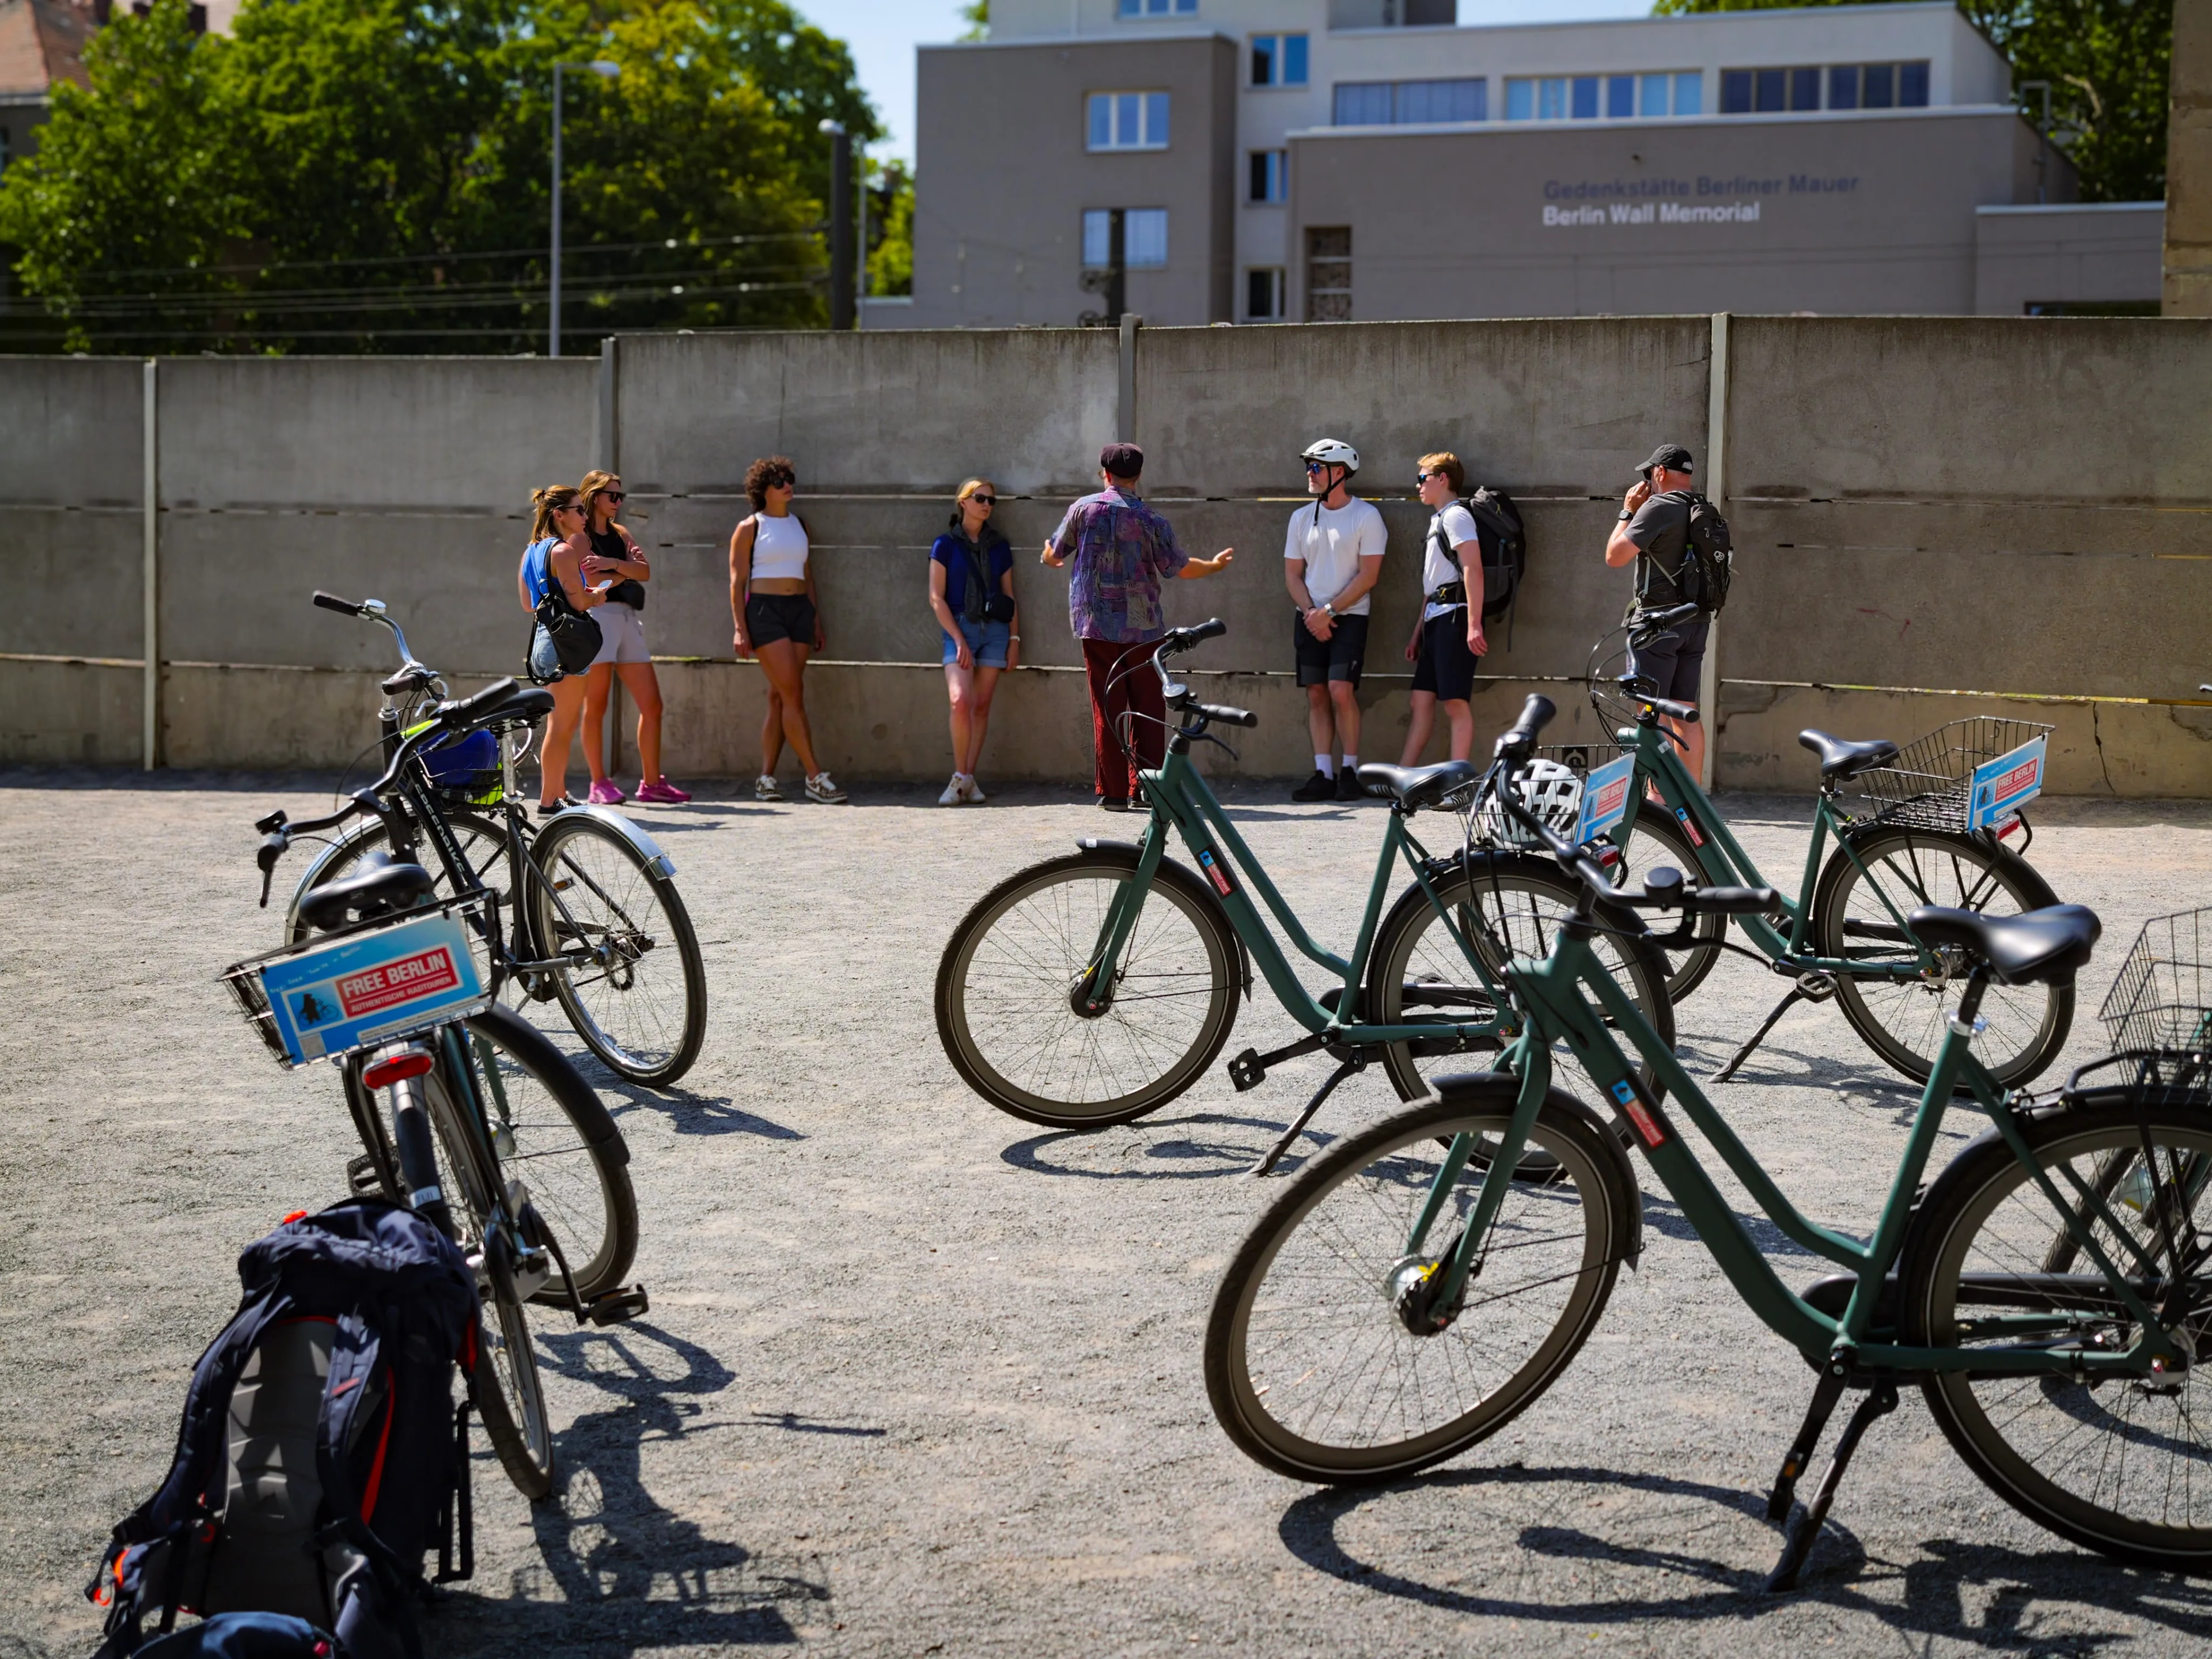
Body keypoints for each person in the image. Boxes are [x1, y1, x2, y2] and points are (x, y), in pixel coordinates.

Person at [1041, 442, 1234, 810]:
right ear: (1139, 476)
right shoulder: (1151, 520)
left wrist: (1046, 556)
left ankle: (1113, 793)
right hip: (1143, 627)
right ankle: (1148, 789)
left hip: (1095, 625)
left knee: (1108, 705)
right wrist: (1213, 565)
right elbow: (1180, 567)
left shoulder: (1082, 510)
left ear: (1105, 474)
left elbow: (1054, 553)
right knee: (1147, 705)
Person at [729, 455, 845, 804]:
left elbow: (808, 577)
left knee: (780, 696)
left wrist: (816, 620)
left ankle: (766, 778)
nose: (787, 485)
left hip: (799, 613)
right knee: (793, 693)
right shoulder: (750, 526)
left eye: (790, 479)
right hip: (765, 612)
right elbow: (736, 583)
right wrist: (739, 628)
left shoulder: (801, 525)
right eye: (779, 481)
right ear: (763, 490)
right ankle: (814, 775)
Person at [575, 469, 690, 806]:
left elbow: (645, 572)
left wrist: (613, 565)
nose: (618, 502)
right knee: (596, 705)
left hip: (627, 618)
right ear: (595, 497)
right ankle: (599, 782)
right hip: (597, 617)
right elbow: (591, 578)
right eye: (613, 495)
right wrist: (624, 570)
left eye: (620, 496)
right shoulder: (578, 536)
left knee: (653, 705)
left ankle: (652, 783)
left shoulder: (620, 532)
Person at [1283, 437, 1387, 802]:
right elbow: (1293, 575)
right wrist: (1313, 614)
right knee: (1316, 693)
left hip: (1350, 616)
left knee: (1341, 691)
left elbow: (1369, 576)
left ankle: (1350, 772)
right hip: (1310, 618)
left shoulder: (1366, 516)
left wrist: (1329, 612)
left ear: (1339, 472)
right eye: (1308, 466)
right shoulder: (1300, 518)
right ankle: (1323, 774)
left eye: (1316, 467)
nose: (1309, 474)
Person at [1604, 442, 1709, 785]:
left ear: (1660, 473)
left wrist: (1627, 512)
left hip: (1657, 625)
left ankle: (1659, 797)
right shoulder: (1704, 507)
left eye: (1649, 475)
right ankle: (1693, 798)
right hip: (1695, 622)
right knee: (1686, 712)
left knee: (1652, 714)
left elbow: (1615, 557)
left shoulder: (1658, 508)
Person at [928, 478, 1020, 805]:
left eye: (991, 501)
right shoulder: (945, 544)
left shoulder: (1000, 546)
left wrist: (1014, 639)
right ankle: (961, 775)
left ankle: (966, 778)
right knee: (960, 701)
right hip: (960, 629)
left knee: (981, 706)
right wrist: (958, 639)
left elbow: (1010, 597)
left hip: (995, 631)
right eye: (980, 498)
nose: (986, 505)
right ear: (963, 502)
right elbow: (936, 599)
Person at [1399, 451, 1488, 765]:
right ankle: (1403, 779)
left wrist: (1474, 624)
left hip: (1456, 618)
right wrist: (1416, 635)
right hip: (1435, 620)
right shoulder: (1438, 520)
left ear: (1443, 479)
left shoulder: (1456, 516)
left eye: (1423, 478)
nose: (1418, 485)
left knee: (1454, 703)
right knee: (1420, 700)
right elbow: (1431, 586)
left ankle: (1459, 782)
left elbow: (1472, 569)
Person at [518, 484, 600, 816]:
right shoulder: (563, 552)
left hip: (544, 642)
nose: (585, 515)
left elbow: (527, 605)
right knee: (562, 726)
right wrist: (596, 596)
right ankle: (549, 800)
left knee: (561, 723)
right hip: (567, 644)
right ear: (559, 515)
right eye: (579, 509)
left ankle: (558, 793)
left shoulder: (530, 552)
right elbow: (579, 601)